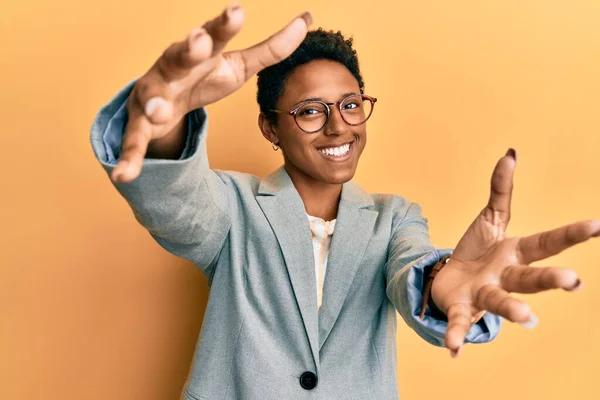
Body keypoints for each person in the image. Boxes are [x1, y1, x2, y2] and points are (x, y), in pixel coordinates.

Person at [90, 4, 598, 399]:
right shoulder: (234, 208)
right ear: (270, 126)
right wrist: (162, 127)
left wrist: (443, 282)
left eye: (351, 105)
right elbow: (180, 207)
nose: (339, 126)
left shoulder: (393, 217)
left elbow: (410, 270)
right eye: (311, 111)